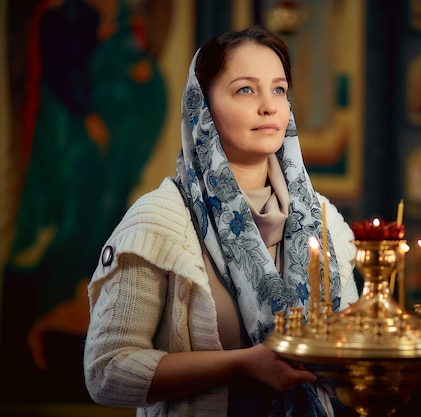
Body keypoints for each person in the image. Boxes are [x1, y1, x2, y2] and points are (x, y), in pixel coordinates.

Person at [83, 25, 359, 417]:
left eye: (279, 89)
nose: (269, 106)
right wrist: (242, 363)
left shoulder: (323, 219)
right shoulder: (159, 221)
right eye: (246, 89)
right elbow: (106, 372)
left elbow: (350, 368)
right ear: (203, 109)